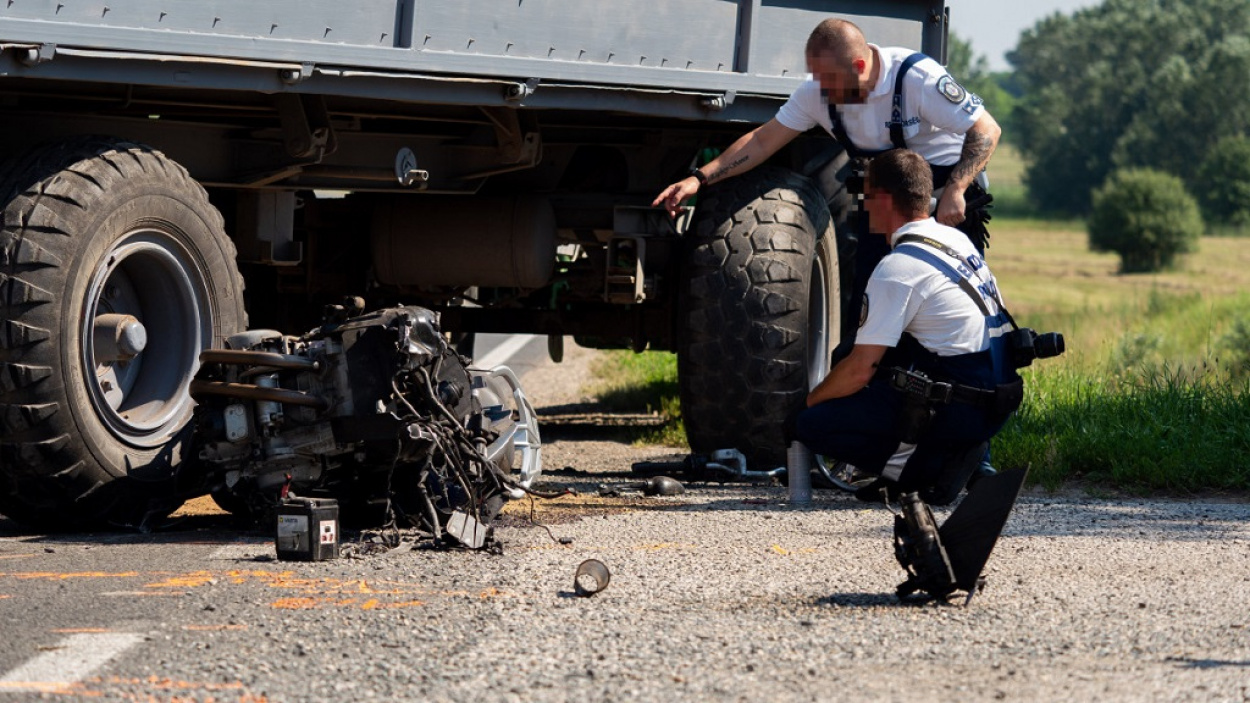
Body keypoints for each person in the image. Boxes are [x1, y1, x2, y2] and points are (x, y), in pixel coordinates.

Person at [794, 149, 1022, 505]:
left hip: (964, 407)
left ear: (883, 199)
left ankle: (931, 467)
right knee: (869, 351)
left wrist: (805, 404)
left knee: (813, 425)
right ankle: (955, 448)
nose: (864, 206)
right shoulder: (956, 240)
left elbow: (858, 370)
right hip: (998, 398)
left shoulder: (897, 268)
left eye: (866, 196)